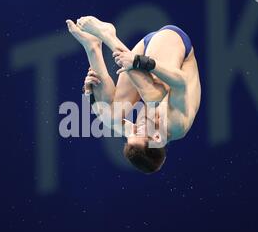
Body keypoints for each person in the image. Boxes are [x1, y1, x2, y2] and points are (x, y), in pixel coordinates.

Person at [66, 16, 201, 173]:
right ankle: (109, 36)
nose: (134, 128)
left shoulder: (139, 134)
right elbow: (181, 82)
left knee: (111, 118)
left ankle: (92, 46)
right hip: (171, 43)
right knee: (156, 96)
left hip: (142, 51)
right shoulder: (177, 124)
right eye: (139, 131)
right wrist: (142, 62)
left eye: (132, 133)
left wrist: (90, 93)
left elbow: (105, 118)